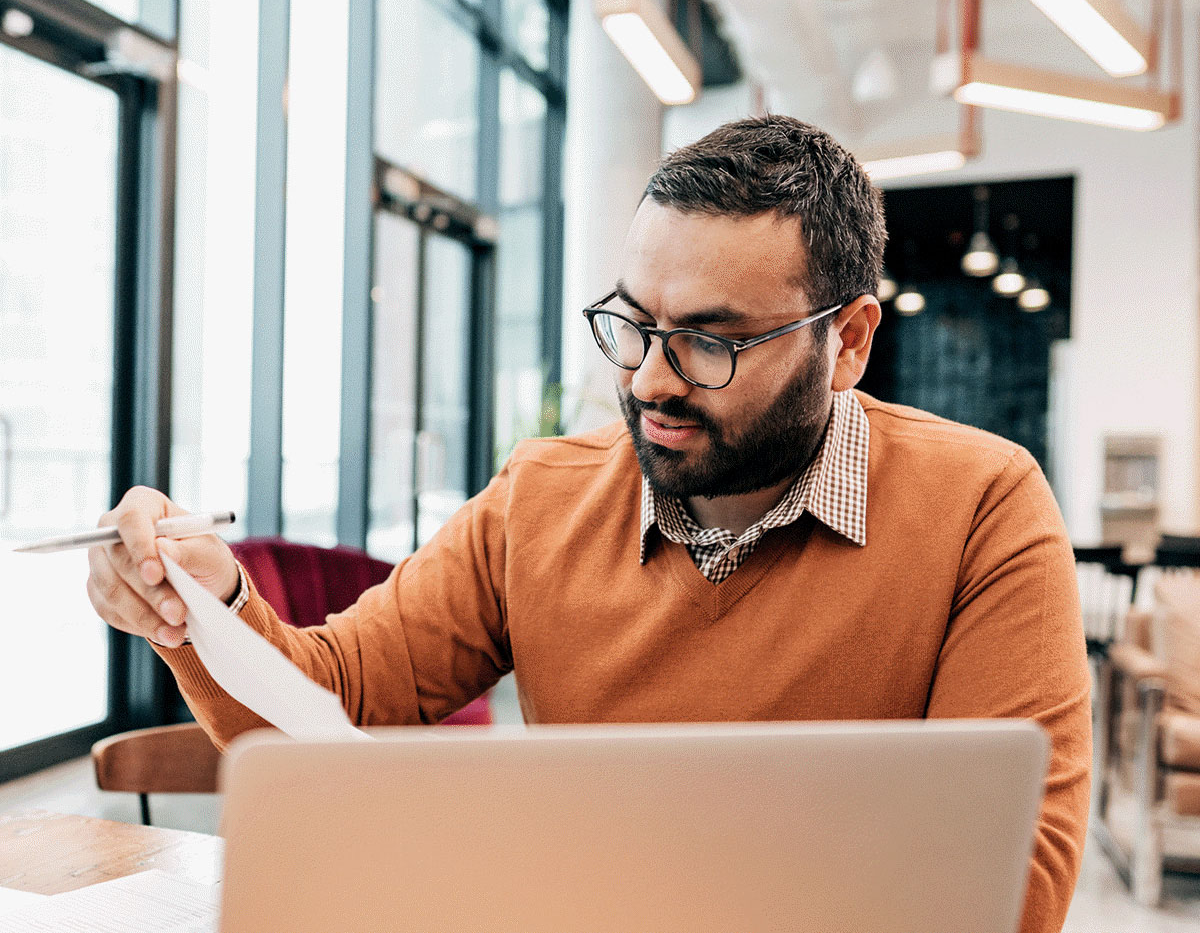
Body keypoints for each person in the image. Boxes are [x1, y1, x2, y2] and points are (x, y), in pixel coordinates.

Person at [87, 115, 1089, 933]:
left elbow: (1015, 885)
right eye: (634, 323)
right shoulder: (542, 495)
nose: (650, 379)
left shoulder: (983, 507)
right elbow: (328, 706)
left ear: (849, 342)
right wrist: (204, 605)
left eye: (709, 342)